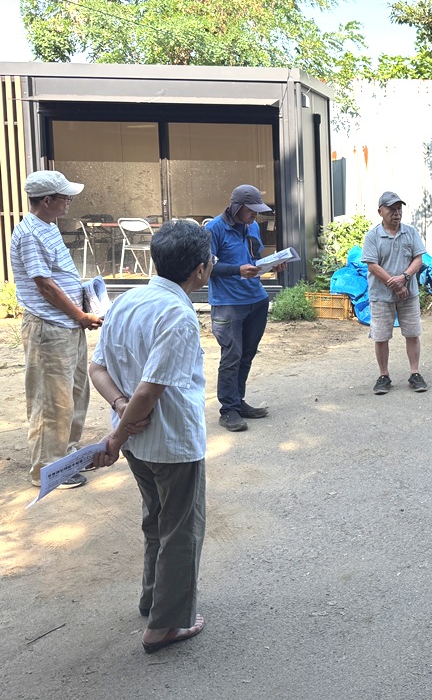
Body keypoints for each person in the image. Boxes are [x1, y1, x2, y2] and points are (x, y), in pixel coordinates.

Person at [89, 220, 213, 654]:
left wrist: (119, 409)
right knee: (181, 530)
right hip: (171, 441)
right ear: (200, 270)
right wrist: (118, 434)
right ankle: (165, 626)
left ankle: (153, 600)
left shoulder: (126, 301)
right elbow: (149, 390)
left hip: (140, 445)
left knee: (157, 520)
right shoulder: (178, 314)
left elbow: (97, 368)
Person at [11, 170, 102, 490]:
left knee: (75, 393)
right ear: (47, 200)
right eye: (65, 198)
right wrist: (80, 315)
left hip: (66, 324)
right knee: (51, 400)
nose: (69, 202)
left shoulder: (47, 227)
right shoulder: (30, 234)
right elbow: (45, 286)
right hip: (49, 327)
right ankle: (47, 469)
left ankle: (67, 453)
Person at [205, 185, 275, 432]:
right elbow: (206, 266)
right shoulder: (213, 229)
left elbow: (253, 260)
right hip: (228, 303)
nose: (255, 214)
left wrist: (272, 265)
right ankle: (228, 410)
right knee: (232, 355)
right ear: (237, 207)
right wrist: (237, 270)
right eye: (251, 209)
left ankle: (238, 401)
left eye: (258, 209)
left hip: (256, 298)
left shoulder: (252, 226)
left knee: (247, 353)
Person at [362, 191, 428, 393]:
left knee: (412, 333)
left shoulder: (410, 232)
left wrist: (404, 278)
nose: (396, 213)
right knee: (381, 336)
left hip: (409, 293)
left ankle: (415, 373)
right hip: (381, 296)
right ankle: (384, 375)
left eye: (399, 209)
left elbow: (418, 259)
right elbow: (372, 265)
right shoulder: (373, 236)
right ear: (380, 211)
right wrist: (395, 284)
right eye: (391, 209)